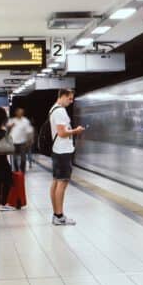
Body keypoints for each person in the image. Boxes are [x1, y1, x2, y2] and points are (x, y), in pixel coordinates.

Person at [49, 89, 83, 226]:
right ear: (62, 96)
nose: (71, 101)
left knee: (56, 182)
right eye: (69, 98)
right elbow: (62, 133)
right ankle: (59, 216)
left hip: (58, 150)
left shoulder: (53, 109)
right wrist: (76, 131)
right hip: (63, 151)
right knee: (62, 183)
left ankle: (56, 215)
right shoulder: (60, 111)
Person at [8, 107, 34, 173]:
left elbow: (29, 131)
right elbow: (6, 131)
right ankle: (16, 171)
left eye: (21, 112)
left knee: (23, 159)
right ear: (16, 113)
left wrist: (30, 140)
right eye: (19, 112)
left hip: (22, 142)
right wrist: (10, 127)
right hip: (13, 142)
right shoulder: (12, 120)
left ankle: (22, 171)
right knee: (14, 159)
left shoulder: (25, 121)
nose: (20, 113)